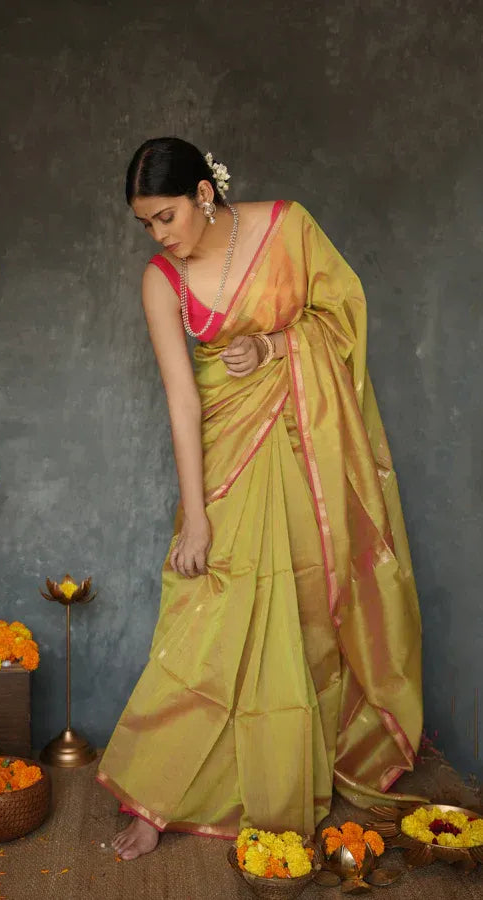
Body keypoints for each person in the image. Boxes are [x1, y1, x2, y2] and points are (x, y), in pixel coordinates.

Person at [95, 137, 423, 861]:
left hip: (306, 451)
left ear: (203, 194)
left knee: (304, 615)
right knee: (206, 615)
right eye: (146, 224)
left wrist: (275, 346)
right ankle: (158, 797)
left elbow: (343, 317)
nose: (159, 235)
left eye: (166, 216)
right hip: (226, 460)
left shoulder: (287, 228)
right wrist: (197, 516)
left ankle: (288, 775)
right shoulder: (161, 281)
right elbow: (183, 400)